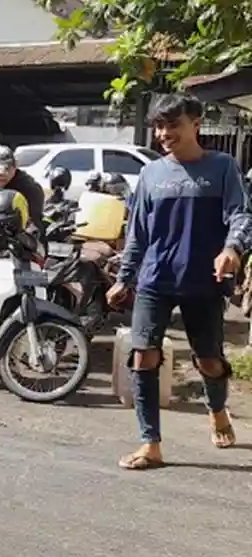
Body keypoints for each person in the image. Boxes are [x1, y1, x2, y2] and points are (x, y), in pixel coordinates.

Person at [106, 93, 252, 471]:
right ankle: (150, 443)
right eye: (159, 126)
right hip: (156, 278)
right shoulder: (151, 174)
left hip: (204, 279)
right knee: (143, 357)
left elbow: (241, 214)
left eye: (173, 124)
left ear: (196, 124)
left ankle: (217, 409)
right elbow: (138, 232)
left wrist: (233, 249)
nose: (164, 133)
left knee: (209, 361)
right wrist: (126, 277)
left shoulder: (222, 167)